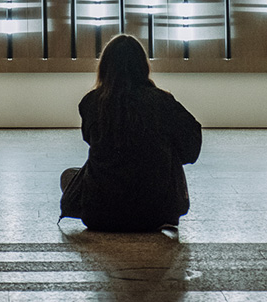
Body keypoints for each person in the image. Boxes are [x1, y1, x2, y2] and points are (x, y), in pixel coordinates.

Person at [59, 34, 202, 232]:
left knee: (69, 176)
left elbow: (92, 141)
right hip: (156, 213)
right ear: (143, 66)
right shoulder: (163, 102)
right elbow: (191, 148)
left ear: (104, 68)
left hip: (100, 214)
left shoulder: (91, 102)